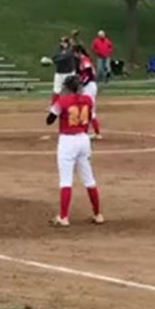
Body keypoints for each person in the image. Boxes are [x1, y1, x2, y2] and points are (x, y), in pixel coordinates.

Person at [46, 75, 104, 227]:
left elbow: (49, 120)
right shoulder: (88, 100)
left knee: (66, 180)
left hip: (67, 140)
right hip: (83, 139)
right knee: (89, 178)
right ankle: (98, 214)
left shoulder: (63, 101)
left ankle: (64, 217)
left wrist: (55, 104)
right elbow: (90, 117)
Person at [74, 45, 102, 139]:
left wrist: (82, 84)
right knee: (84, 108)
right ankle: (88, 131)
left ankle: (96, 132)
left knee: (88, 109)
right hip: (88, 86)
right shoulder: (83, 60)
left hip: (89, 86)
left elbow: (89, 75)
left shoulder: (85, 60)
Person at [50, 37, 77, 105]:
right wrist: (55, 59)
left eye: (64, 42)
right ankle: (53, 105)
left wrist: (55, 60)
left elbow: (65, 57)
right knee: (56, 89)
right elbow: (54, 56)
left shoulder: (70, 50)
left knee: (70, 89)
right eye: (61, 42)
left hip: (68, 73)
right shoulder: (58, 50)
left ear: (68, 43)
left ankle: (72, 104)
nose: (62, 43)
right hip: (59, 73)